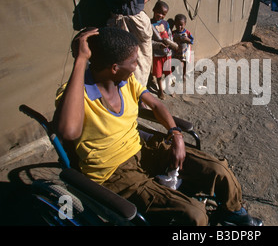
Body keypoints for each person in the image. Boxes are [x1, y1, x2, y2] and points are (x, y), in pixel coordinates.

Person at [53, 27, 262, 226]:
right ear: (114, 68)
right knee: (195, 215)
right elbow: (68, 131)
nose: (137, 65)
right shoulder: (75, 93)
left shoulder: (125, 81)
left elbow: (156, 104)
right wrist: (81, 60)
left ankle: (233, 214)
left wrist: (176, 134)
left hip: (143, 150)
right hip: (114, 174)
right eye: (133, 61)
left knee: (218, 170)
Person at [151, 1, 177, 100]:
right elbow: (149, 41)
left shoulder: (165, 23)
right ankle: (160, 90)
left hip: (167, 53)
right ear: (154, 10)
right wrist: (158, 45)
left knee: (168, 72)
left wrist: (171, 44)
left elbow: (170, 36)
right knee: (158, 74)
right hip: (157, 54)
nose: (161, 15)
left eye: (164, 14)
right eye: (159, 12)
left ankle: (168, 88)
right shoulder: (150, 24)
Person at [172, 14, 194, 82]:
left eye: (181, 25)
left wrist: (188, 40)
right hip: (176, 52)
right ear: (175, 24)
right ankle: (174, 75)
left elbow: (192, 41)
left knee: (184, 63)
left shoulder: (187, 32)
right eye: (177, 24)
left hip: (184, 52)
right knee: (175, 63)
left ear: (185, 24)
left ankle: (184, 74)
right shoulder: (173, 33)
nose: (179, 26)